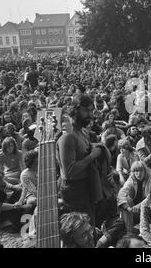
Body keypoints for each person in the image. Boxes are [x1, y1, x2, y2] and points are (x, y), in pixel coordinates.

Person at [57, 94, 103, 227]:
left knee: (90, 225)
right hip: (75, 189)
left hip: (86, 185)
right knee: (82, 229)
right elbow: (69, 171)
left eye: (91, 111)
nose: (89, 115)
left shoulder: (83, 131)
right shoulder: (68, 136)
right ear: (75, 110)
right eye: (85, 110)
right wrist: (92, 156)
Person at [117, 161, 151, 232]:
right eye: (136, 171)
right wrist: (127, 207)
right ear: (133, 172)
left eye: (141, 171)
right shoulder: (131, 180)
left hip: (148, 209)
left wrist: (139, 205)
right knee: (126, 199)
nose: (139, 173)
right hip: (134, 211)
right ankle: (129, 230)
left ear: (145, 171)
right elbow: (121, 193)